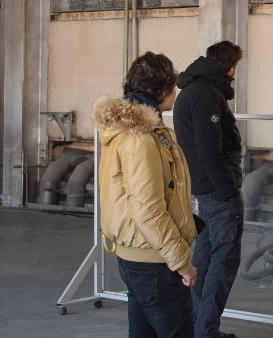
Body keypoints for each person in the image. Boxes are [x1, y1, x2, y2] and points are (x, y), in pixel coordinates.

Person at [93, 51, 198, 338]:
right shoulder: (141, 139)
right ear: (162, 90)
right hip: (154, 261)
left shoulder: (128, 132)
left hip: (136, 257)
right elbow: (148, 210)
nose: (175, 93)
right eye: (173, 87)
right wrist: (182, 262)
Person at [174, 40, 244, 338]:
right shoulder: (205, 94)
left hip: (204, 189)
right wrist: (227, 190)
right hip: (217, 191)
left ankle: (199, 326)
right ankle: (206, 330)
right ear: (230, 67)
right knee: (224, 260)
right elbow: (209, 150)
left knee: (204, 255)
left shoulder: (195, 90)